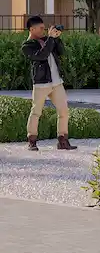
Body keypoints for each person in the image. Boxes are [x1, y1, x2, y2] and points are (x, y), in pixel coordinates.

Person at [20, 16, 76, 152]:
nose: (43, 30)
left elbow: (61, 52)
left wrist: (57, 38)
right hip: (41, 83)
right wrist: (50, 39)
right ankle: (32, 141)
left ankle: (63, 140)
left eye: (44, 27)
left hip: (56, 82)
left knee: (63, 111)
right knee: (36, 112)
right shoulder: (27, 46)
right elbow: (42, 55)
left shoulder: (48, 39)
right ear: (32, 29)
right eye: (40, 28)